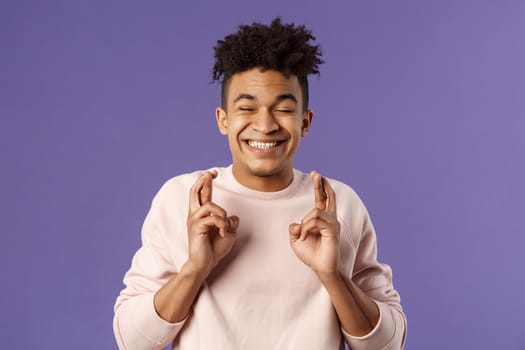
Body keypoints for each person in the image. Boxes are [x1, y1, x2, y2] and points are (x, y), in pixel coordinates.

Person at [113, 18, 407, 350]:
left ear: (305, 122)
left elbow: (387, 344)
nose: (265, 125)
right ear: (223, 120)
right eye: (247, 108)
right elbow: (133, 340)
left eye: (283, 109)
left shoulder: (338, 206)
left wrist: (333, 275)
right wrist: (195, 269)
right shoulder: (182, 199)